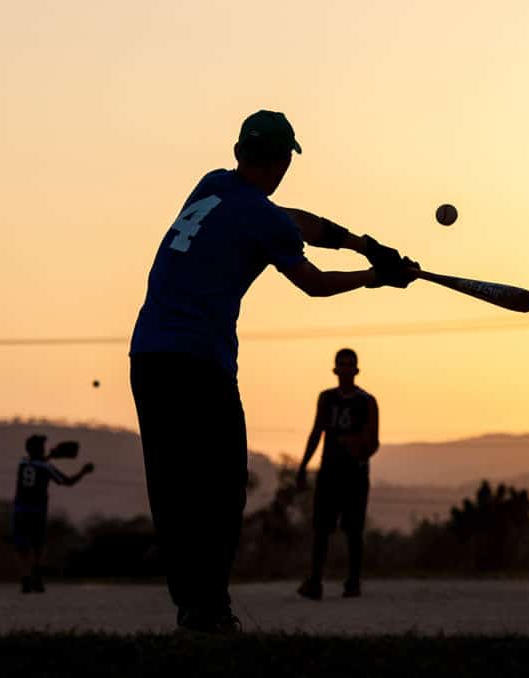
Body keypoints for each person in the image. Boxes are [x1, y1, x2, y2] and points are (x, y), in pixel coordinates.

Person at [129, 110, 418, 633]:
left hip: (148, 356)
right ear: (284, 161)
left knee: (173, 488)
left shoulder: (213, 185)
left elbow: (292, 220)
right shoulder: (260, 218)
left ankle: (193, 606)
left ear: (239, 153)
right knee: (221, 486)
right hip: (198, 361)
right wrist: (375, 276)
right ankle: (210, 609)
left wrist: (360, 241)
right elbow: (314, 282)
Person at [295, 348, 379, 600]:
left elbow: (373, 440)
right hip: (329, 470)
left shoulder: (366, 401)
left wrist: (355, 447)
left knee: (353, 529)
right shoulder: (327, 398)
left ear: (355, 369)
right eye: (341, 364)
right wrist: (302, 466)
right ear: (335, 369)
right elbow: (316, 432)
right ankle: (315, 580)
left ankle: (353, 581)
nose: (344, 369)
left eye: (349, 364)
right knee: (321, 528)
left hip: (354, 472)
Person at [12, 434, 95, 593]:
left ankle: (25, 579)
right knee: (37, 546)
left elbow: (35, 463)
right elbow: (67, 482)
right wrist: (83, 472)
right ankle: (36, 579)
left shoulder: (22, 463)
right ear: (39, 449)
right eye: (42, 446)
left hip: (20, 509)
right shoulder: (46, 467)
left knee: (22, 546)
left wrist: (50, 456)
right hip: (37, 510)